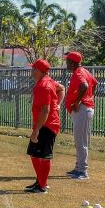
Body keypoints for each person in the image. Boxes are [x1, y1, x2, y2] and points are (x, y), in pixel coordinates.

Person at [25, 59, 65, 194]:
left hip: (47, 125)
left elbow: (45, 110)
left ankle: (42, 186)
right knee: (33, 154)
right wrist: (58, 104)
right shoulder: (48, 81)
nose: (31, 71)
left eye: (33, 68)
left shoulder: (44, 85)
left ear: (38, 70)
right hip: (43, 123)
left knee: (43, 156)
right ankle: (41, 181)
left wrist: (36, 130)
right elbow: (62, 89)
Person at [64, 51, 97, 180]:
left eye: (67, 61)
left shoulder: (78, 72)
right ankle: (78, 168)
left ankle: (83, 171)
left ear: (72, 62)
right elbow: (95, 84)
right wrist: (89, 96)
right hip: (84, 109)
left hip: (82, 109)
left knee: (81, 141)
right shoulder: (85, 71)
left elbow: (84, 85)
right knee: (79, 140)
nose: (66, 63)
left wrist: (78, 101)